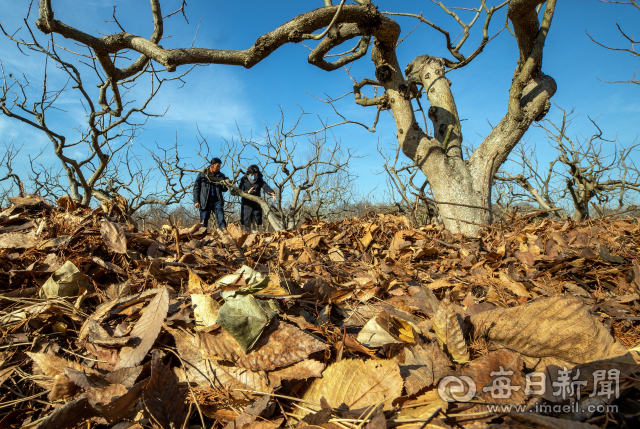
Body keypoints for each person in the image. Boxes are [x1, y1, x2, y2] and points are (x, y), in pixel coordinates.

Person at [193, 158, 230, 231]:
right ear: (212, 165)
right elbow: (196, 188)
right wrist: (196, 201)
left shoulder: (221, 175)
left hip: (217, 200)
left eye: (220, 166)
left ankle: (224, 237)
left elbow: (223, 189)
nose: (219, 168)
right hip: (205, 201)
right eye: (217, 166)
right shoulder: (202, 174)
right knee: (203, 222)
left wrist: (227, 183)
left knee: (221, 219)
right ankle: (202, 239)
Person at [238, 165, 276, 232]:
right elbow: (239, 191)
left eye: (255, 174)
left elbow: (266, 187)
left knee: (256, 226)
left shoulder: (260, 180)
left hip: (256, 205)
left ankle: (257, 241)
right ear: (249, 173)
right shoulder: (243, 180)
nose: (254, 176)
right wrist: (247, 192)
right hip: (246, 205)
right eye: (252, 174)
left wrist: (271, 193)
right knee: (247, 225)